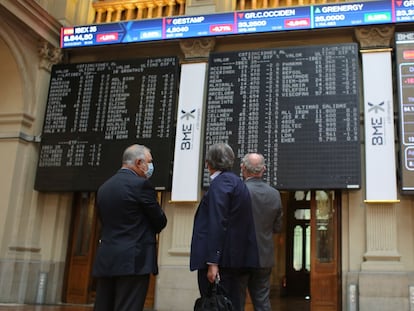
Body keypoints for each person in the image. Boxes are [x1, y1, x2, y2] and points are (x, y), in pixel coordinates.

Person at [92, 144, 167, 311]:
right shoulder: (141, 185)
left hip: (107, 258)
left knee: (104, 306)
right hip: (134, 260)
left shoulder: (104, 187)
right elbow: (160, 220)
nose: (151, 166)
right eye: (149, 162)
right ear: (139, 162)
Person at [190, 143, 260, 311]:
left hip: (221, 263)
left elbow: (217, 222)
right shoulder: (235, 182)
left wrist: (213, 262)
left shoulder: (221, 184)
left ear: (208, 163)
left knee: (217, 305)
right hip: (232, 260)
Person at [239, 153, 283, 311]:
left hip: (240, 257)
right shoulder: (274, 194)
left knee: (237, 302)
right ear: (263, 169)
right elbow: (277, 228)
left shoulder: (238, 191)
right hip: (264, 257)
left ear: (242, 168)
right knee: (262, 303)